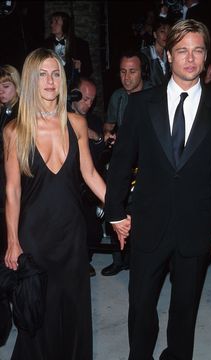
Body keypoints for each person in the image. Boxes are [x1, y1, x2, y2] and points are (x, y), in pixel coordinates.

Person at [104, 19, 211, 360]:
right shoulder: (141, 105)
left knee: (185, 309)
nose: (190, 59)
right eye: (182, 51)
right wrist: (115, 212)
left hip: (196, 226)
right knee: (141, 304)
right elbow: (121, 163)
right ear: (169, 55)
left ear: (206, 58)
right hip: (147, 223)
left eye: (198, 50)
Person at [3, 48, 129, 360]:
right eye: (42, 74)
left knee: (73, 308)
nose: (50, 81)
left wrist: (118, 212)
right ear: (31, 81)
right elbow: (12, 191)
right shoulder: (14, 131)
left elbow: (89, 174)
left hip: (71, 233)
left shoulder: (76, 123)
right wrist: (12, 241)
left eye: (56, 73)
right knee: (39, 312)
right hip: (35, 236)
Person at [101, 50, 152, 277]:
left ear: (143, 72)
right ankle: (118, 259)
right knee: (115, 206)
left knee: (144, 214)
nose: (127, 77)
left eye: (132, 71)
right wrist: (108, 135)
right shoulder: (117, 97)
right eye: (123, 72)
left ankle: (142, 261)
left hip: (149, 165)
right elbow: (109, 125)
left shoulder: (155, 95)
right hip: (122, 163)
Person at [69, 77, 106, 277]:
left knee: (93, 231)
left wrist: (95, 136)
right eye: (85, 98)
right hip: (66, 183)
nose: (88, 103)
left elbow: (100, 153)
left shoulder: (93, 120)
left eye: (92, 100)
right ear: (74, 94)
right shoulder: (59, 117)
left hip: (87, 183)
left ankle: (86, 256)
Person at [0, 65, 21, 256]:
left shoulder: (20, 112)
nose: (1, 91)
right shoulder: (5, 110)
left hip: (13, 177)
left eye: (5, 86)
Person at [44, 11, 93, 89]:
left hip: (72, 87)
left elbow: (89, 70)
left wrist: (80, 67)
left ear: (65, 24)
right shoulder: (44, 44)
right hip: (51, 85)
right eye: (52, 22)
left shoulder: (81, 45)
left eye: (56, 22)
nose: (52, 25)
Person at [141, 17, 172, 86]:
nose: (166, 35)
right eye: (162, 31)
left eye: (169, 32)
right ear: (155, 34)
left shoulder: (169, 55)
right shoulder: (145, 54)